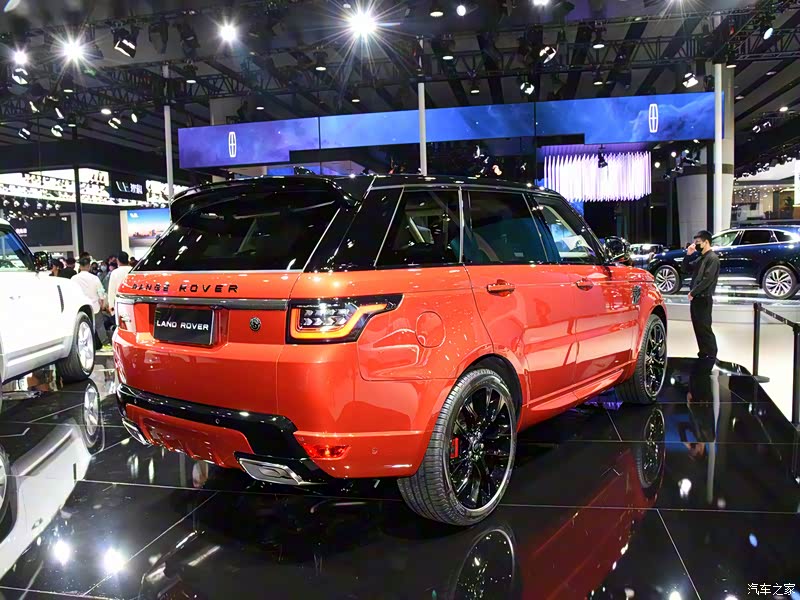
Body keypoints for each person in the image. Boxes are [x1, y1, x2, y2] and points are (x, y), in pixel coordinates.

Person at [685, 230, 720, 360]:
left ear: (706, 242)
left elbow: (707, 279)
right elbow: (685, 269)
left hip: (704, 299)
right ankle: (703, 353)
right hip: (696, 299)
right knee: (698, 327)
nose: (696, 244)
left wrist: (693, 292)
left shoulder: (712, 258)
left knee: (705, 328)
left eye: (698, 242)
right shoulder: (701, 258)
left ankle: (711, 355)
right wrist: (688, 255)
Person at [73, 257, 109, 347]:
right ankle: (105, 344)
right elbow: (101, 292)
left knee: (84, 327)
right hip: (94, 306)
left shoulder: (74, 278)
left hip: (80, 307)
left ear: (80, 266)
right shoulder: (94, 278)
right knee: (99, 326)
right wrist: (102, 303)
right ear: (89, 266)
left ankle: (86, 345)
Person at [107, 250, 132, 314]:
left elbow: (111, 291)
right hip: (132, 302)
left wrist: (111, 306)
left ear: (118, 260)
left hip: (120, 303)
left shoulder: (115, 273)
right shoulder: (133, 271)